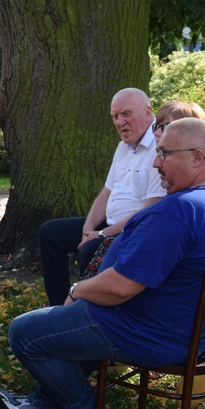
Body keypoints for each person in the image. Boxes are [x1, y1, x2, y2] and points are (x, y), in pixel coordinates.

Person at [0, 118, 205, 409]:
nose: (155, 163)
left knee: (25, 333)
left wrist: (77, 291)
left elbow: (119, 289)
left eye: (165, 154)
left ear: (197, 157)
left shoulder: (181, 211)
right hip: (192, 331)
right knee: (66, 330)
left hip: (145, 331)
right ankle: (44, 404)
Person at [39, 87, 166, 305]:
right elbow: (106, 192)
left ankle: (85, 309)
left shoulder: (160, 147)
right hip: (109, 225)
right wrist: (87, 229)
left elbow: (150, 209)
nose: (119, 122)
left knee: (90, 248)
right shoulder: (123, 147)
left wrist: (99, 235)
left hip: (134, 231)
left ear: (148, 113)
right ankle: (59, 306)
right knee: (50, 233)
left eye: (126, 114)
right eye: (115, 116)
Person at [82, 100, 205, 279]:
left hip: (152, 295)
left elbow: (124, 287)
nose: (156, 132)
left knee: (98, 251)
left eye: (165, 126)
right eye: (156, 126)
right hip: (129, 236)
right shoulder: (189, 194)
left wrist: (77, 293)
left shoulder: (182, 205)